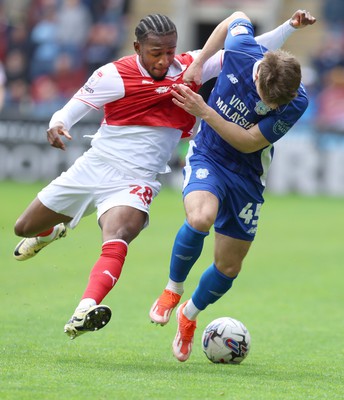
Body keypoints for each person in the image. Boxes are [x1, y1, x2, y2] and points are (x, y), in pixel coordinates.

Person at [14, 12, 313, 341]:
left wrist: (288, 29)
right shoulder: (113, 74)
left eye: (170, 51)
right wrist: (58, 124)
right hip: (98, 165)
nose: (165, 59)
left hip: (141, 180)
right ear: (137, 47)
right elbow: (72, 108)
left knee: (125, 235)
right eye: (156, 52)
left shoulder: (191, 68)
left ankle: (90, 309)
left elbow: (252, 52)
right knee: (22, 227)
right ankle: (53, 230)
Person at [149, 10, 316, 362]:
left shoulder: (296, 100)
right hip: (208, 154)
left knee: (228, 267)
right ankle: (171, 289)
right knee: (200, 218)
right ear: (259, 77)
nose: (270, 108)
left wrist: (205, 111)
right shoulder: (241, 50)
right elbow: (236, 17)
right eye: (268, 101)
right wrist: (201, 62)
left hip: (247, 175)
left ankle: (189, 316)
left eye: (275, 106)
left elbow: (248, 141)